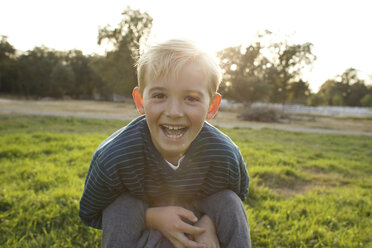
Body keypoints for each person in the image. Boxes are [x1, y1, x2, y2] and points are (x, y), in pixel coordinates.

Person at [79, 39, 251, 248]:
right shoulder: (114, 157)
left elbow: (236, 202)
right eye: (160, 95)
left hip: (199, 236)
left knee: (228, 201)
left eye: (191, 98)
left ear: (212, 106)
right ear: (140, 100)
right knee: (121, 206)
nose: (174, 112)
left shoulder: (225, 154)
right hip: (144, 237)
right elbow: (92, 214)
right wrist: (151, 217)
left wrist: (209, 223)